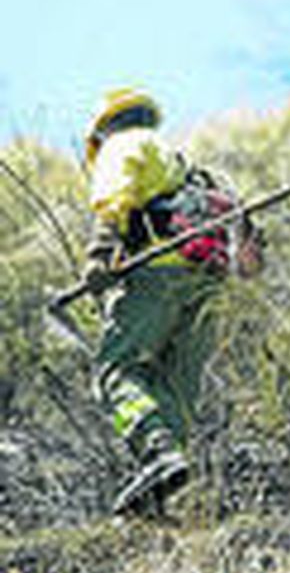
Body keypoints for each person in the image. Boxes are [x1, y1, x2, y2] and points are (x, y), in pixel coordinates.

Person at [82, 87, 256, 516]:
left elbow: (115, 195)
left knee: (115, 372)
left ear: (103, 131)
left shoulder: (122, 144)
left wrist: (100, 253)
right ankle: (163, 483)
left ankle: (157, 452)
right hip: (208, 284)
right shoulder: (187, 168)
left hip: (158, 272)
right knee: (173, 387)